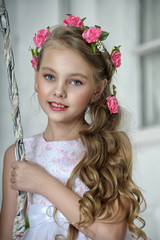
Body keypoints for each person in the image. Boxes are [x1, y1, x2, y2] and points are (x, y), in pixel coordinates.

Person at [0, 15, 148, 240]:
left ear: (98, 90)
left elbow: (111, 234)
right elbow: (8, 234)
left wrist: (43, 183)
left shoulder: (108, 147)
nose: (59, 91)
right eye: (49, 76)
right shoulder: (18, 154)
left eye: (75, 81)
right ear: (36, 79)